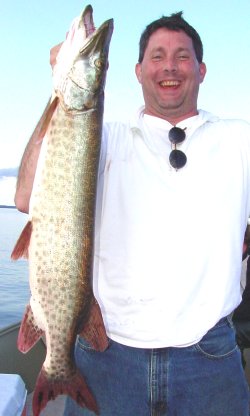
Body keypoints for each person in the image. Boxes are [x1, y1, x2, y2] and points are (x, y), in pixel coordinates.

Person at [15, 11, 250, 416]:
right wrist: (57, 94)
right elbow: (24, 197)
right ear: (139, 71)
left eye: (182, 56)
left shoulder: (239, 140)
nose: (169, 67)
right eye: (157, 56)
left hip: (209, 358)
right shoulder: (104, 137)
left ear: (202, 69)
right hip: (107, 354)